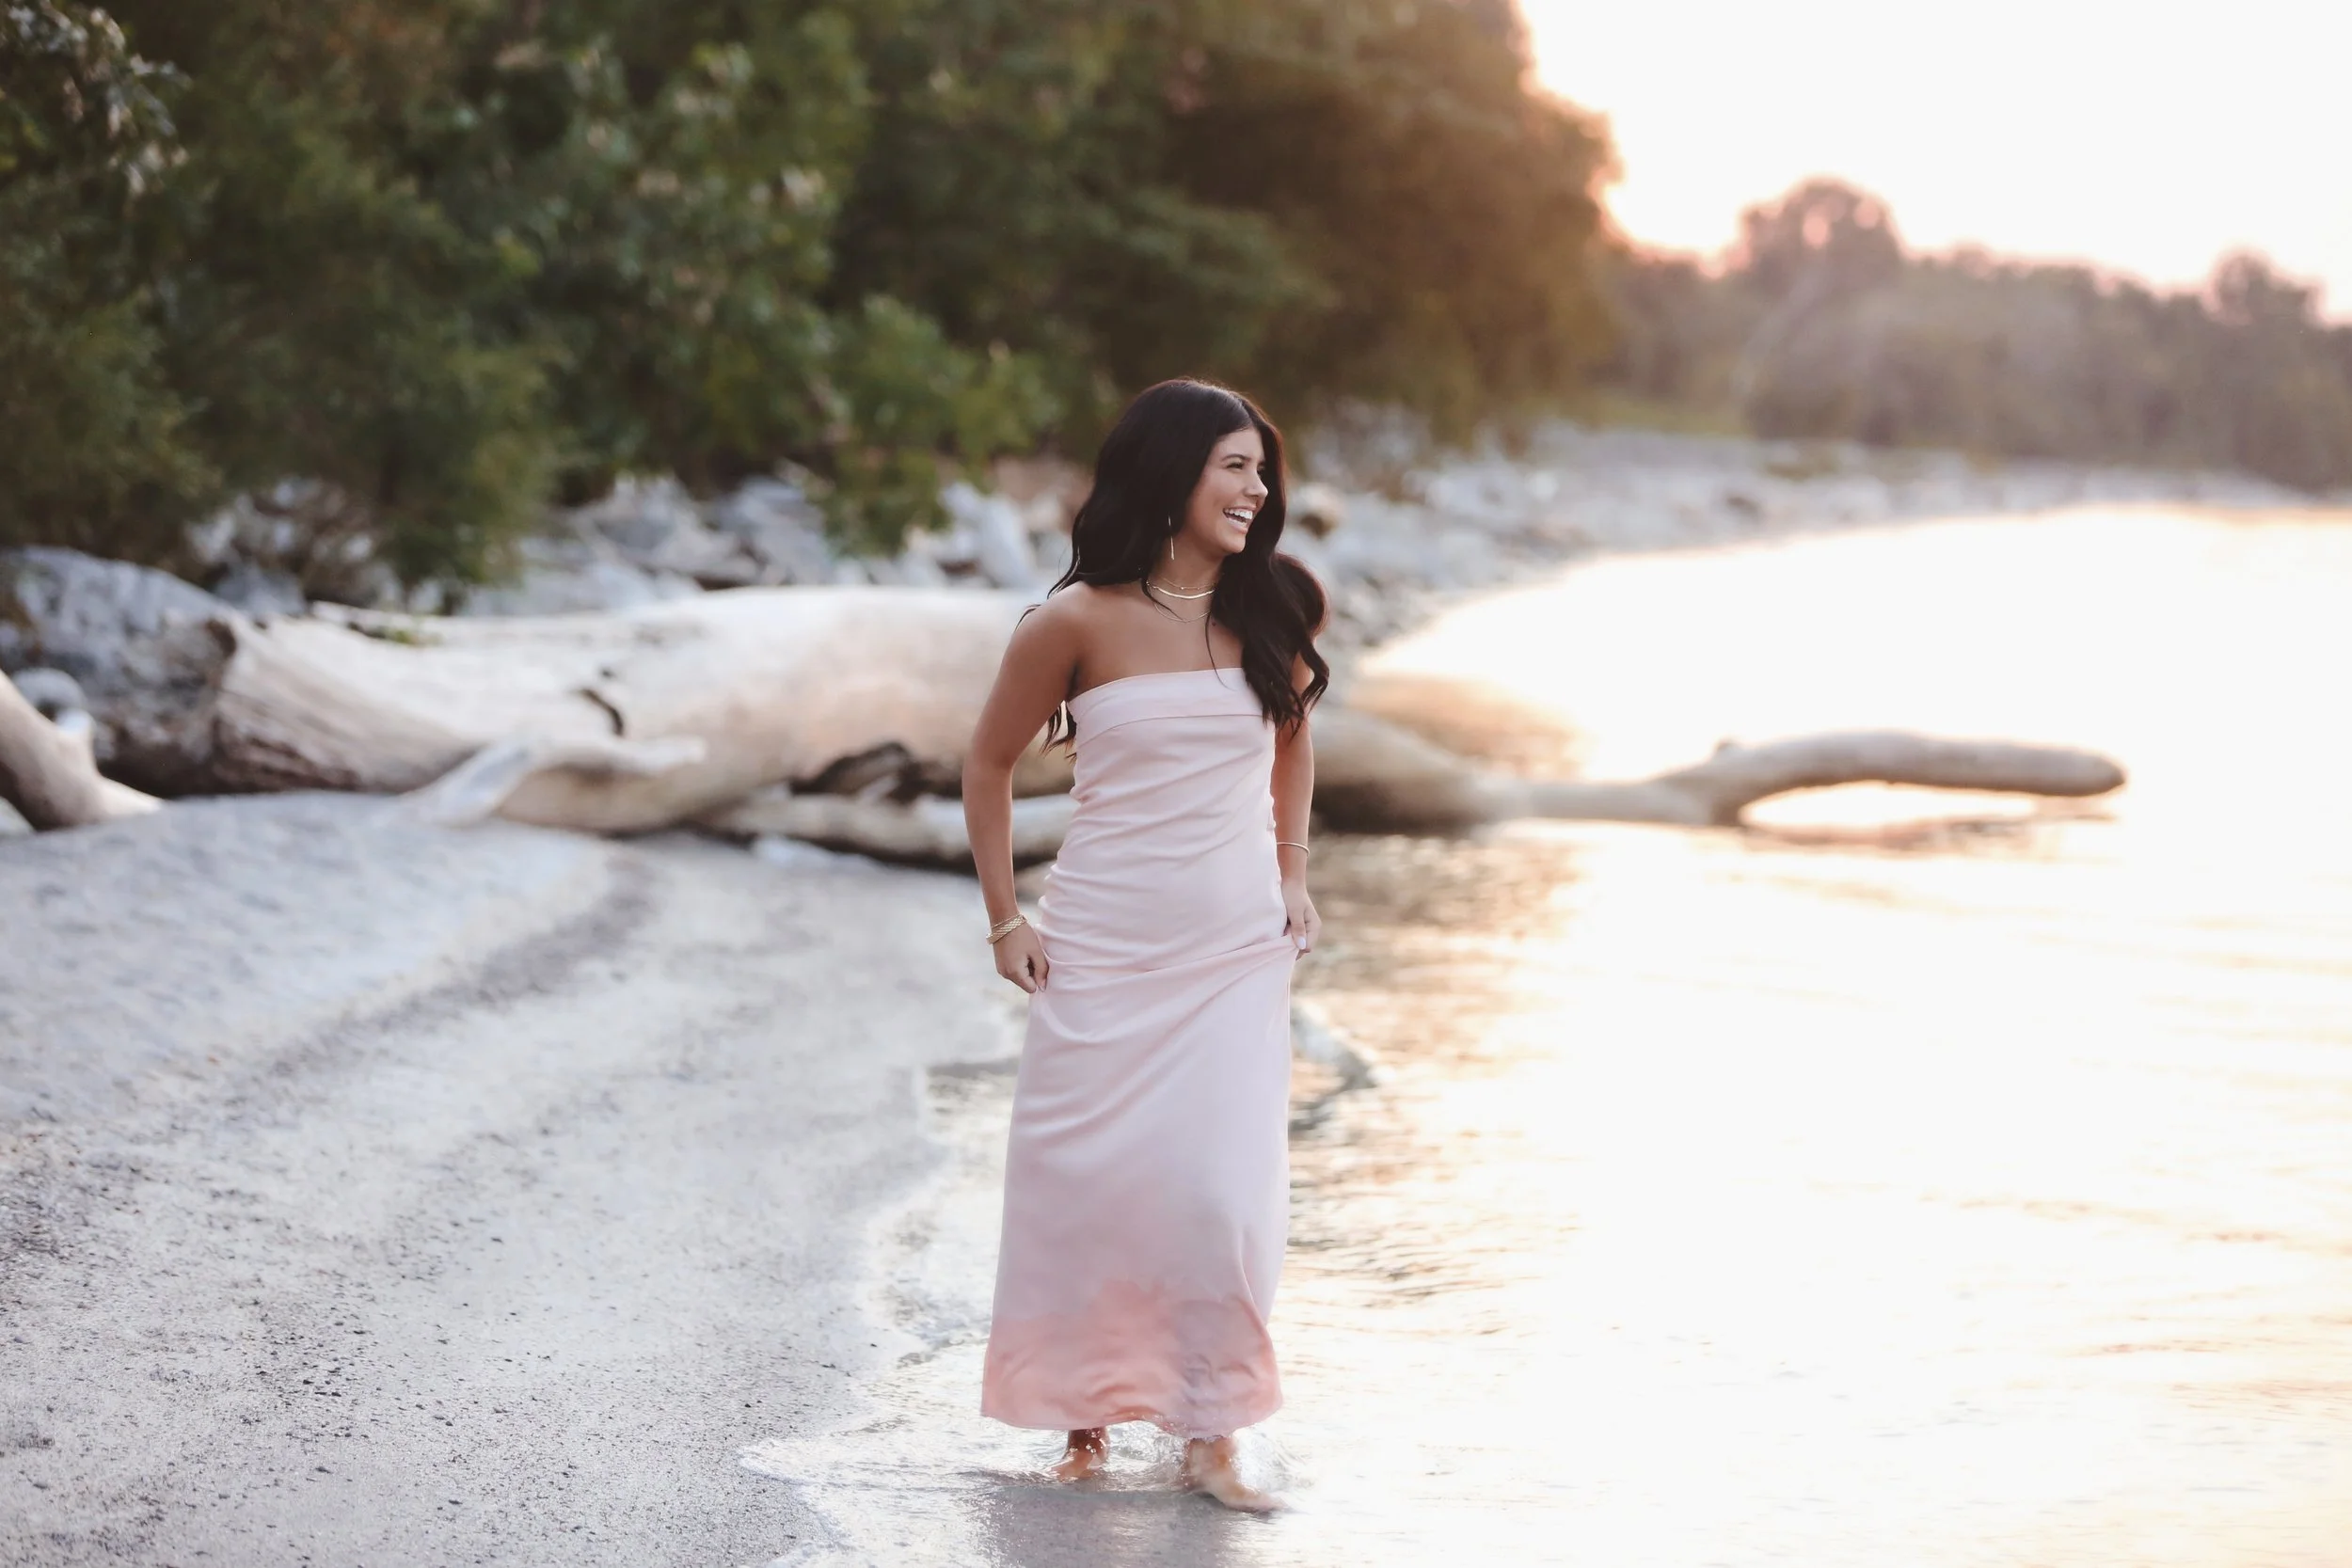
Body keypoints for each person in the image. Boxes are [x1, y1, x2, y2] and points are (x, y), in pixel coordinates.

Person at [961, 378, 1329, 1512]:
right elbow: (985, 765)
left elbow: (1293, 744)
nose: (1255, 488)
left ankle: (1213, 1432)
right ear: (1170, 473)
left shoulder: (1268, 607)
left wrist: (1293, 869)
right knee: (1090, 1186)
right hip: (1101, 948)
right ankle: (1083, 1420)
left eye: (1260, 471)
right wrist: (1004, 918)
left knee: (1220, 1194)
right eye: (1234, 465)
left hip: (1230, 951)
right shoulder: (1071, 621)